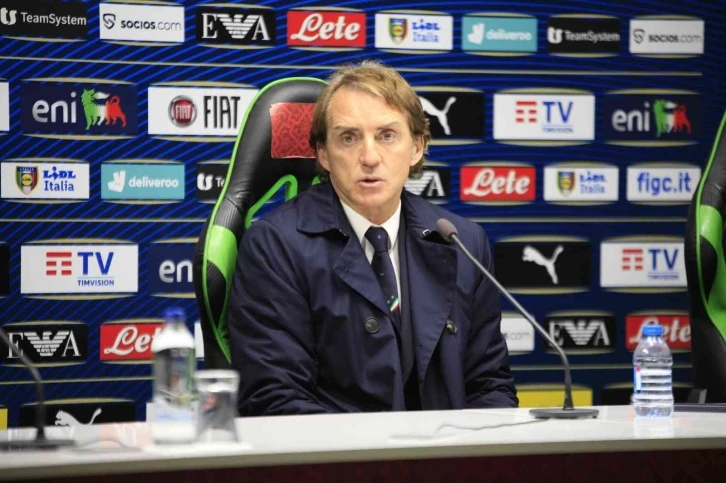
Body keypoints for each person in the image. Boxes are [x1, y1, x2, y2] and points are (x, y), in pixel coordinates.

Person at [228, 60, 518, 415]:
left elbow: (490, 386)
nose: (369, 157)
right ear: (323, 154)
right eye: (348, 138)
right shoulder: (275, 247)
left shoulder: (463, 242)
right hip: (335, 449)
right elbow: (275, 398)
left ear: (417, 147)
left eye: (387, 136)